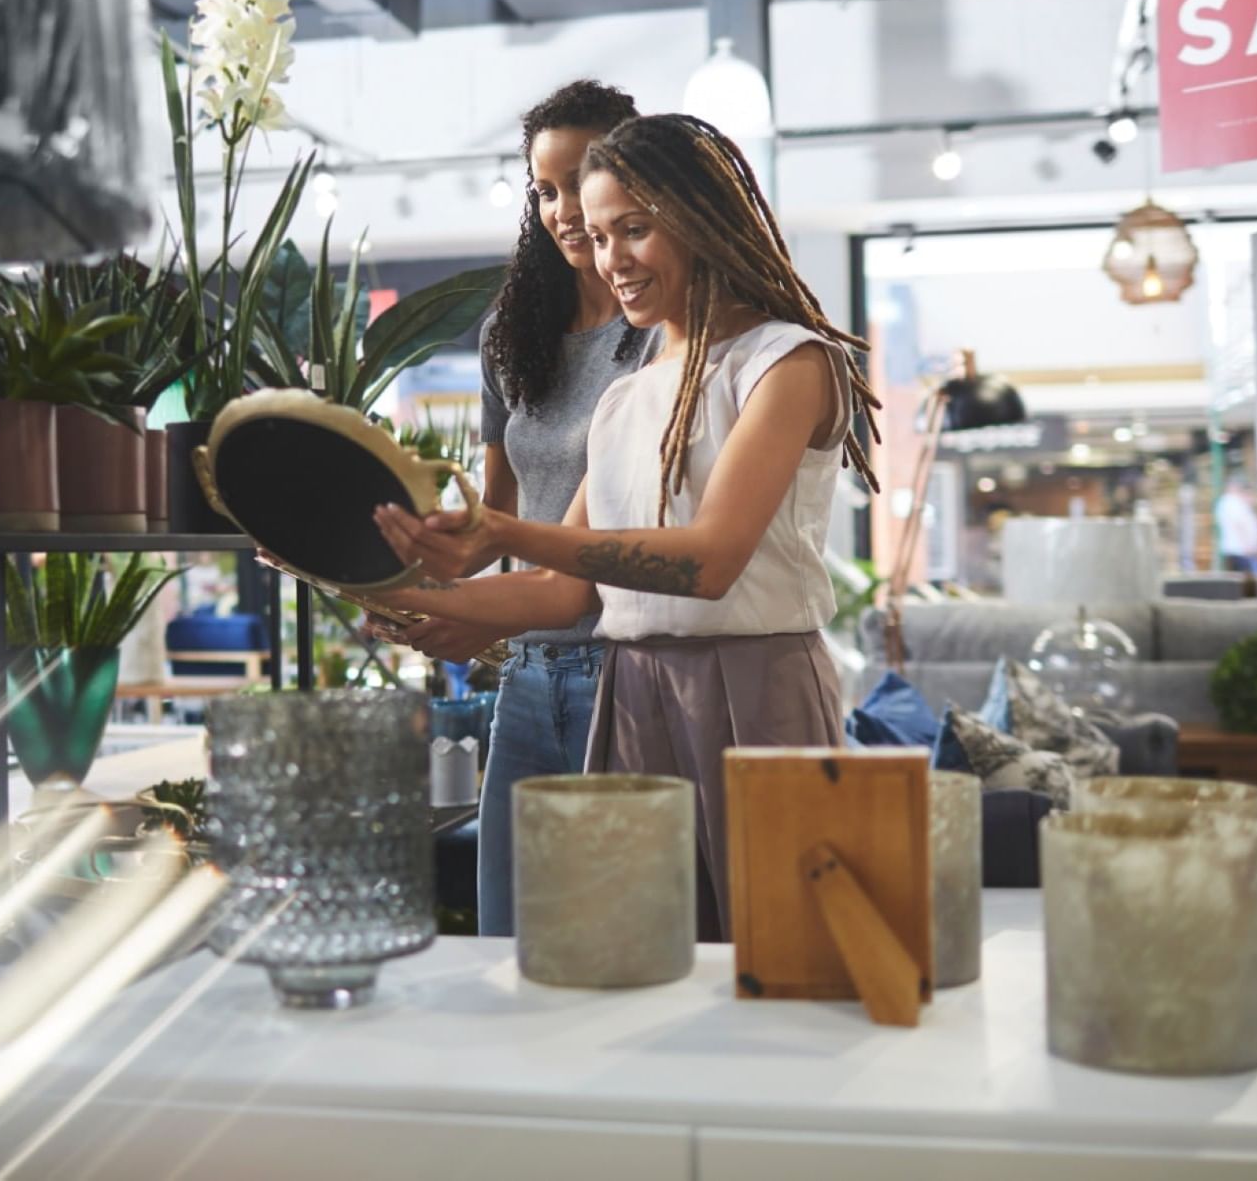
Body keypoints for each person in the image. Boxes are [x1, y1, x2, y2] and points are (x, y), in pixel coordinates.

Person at [370, 113, 881, 939]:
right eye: (602, 236)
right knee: (634, 961)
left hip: (755, 692)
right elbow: (563, 590)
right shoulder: (624, 398)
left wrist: (506, 531)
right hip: (632, 697)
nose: (612, 260)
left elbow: (710, 562)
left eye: (634, 229)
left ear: (703, 216)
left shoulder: (791, 363)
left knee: (779, 956)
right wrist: (395, 591)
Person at [379, 79, 649, 937]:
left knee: (610, 936)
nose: (566, 209)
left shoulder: (660, 331)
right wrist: (395, 567)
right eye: (545, 189)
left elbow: (584, 543)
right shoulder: (513, 332)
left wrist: (469, 610)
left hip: (625, 672)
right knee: (508, 931)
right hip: (529, 675)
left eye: (584, 181)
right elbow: (492, 510)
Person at [1214, 472, 1257, 576]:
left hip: (1237, 549)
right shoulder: (1232, 502)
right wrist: (1247, 545)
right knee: (1250, 580)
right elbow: (1239, 524)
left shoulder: (1226, 502)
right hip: (1241, 550)